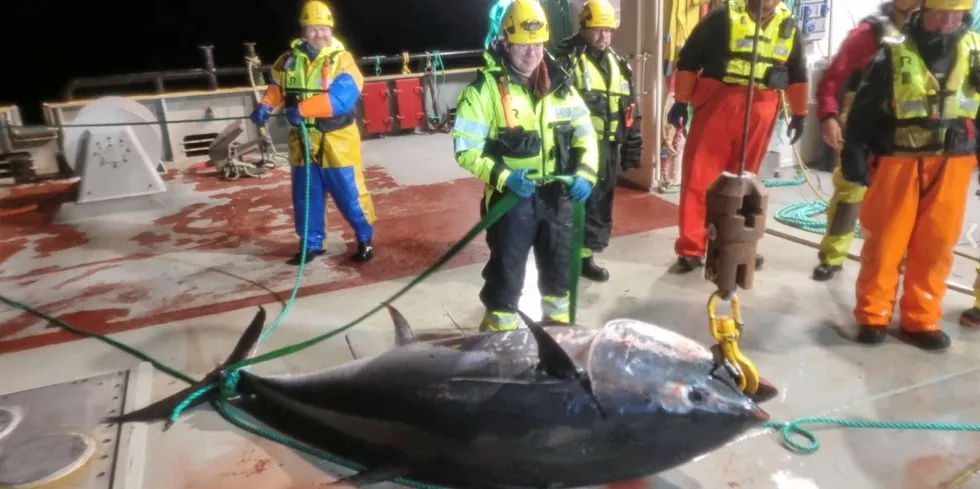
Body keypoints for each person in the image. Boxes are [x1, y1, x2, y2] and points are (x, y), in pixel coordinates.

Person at [451, 0, 600, 331]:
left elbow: (585, 133)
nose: (531, 53)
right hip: (510, 202)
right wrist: (504, 177)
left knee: (560, 271)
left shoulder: (562, 86)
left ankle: (559, 336)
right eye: (522, 44)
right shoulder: (484, 92)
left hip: (558, 199)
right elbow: (465, 149)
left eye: (537, 44)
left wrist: (586, 172)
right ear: (505, 42)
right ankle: (497, 339)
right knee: (507, 273)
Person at [840, 0, 979, 351]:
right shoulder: (892, 53)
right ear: (924, 11)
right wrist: (854, 152)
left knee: (937, 245)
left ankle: (922, 318)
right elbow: (864, 109)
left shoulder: (975, 51)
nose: (949, 21)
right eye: (941, 13)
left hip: (955, 162)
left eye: (956, 13)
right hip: (898, 161)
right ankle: (873, 315)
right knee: (886, 242)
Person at [666, 0, 809, 273]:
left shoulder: (789, 26)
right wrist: (681, 100)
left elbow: (798, 73)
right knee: (700, 177)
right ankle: (692, 247)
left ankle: (738, 244)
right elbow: (689, 58)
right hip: (719, 101)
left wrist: (800, 113)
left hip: (763, 107)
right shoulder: (722, 17)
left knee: (745, 182)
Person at [250, 0, 376, 266]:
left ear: (332, 29)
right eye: (313, 28)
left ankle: (365, 239)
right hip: (302, 142)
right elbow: (277, 87)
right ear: (303, 31)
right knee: (306, 197)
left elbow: (343, 98)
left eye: (324, 28)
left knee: (350, 194)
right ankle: (311, 245)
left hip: (337, 141)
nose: (320, 34)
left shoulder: (343, 60)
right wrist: (265, 106)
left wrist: (304, 109)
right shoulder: (287, 61)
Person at [811, 0, 921, 281]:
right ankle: (833, 256)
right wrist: (828, 117)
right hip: (863, 129)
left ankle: (901, 260)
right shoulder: (868, 33)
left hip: (911, 135)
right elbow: (833, 78)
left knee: (906, 201)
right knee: (850, 194)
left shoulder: (935, 34)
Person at [552, 0, 644, 283]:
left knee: (598, 205)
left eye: (608, 30)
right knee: (567, 206)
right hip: (574, 150)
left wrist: (633, 144)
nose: (604, 37)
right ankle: (559, 261)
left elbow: (630, 108)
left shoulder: (618, 63)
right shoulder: (563, 58)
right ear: (583, 27)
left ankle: (584, 259)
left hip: (607, 149)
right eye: (597, 30)